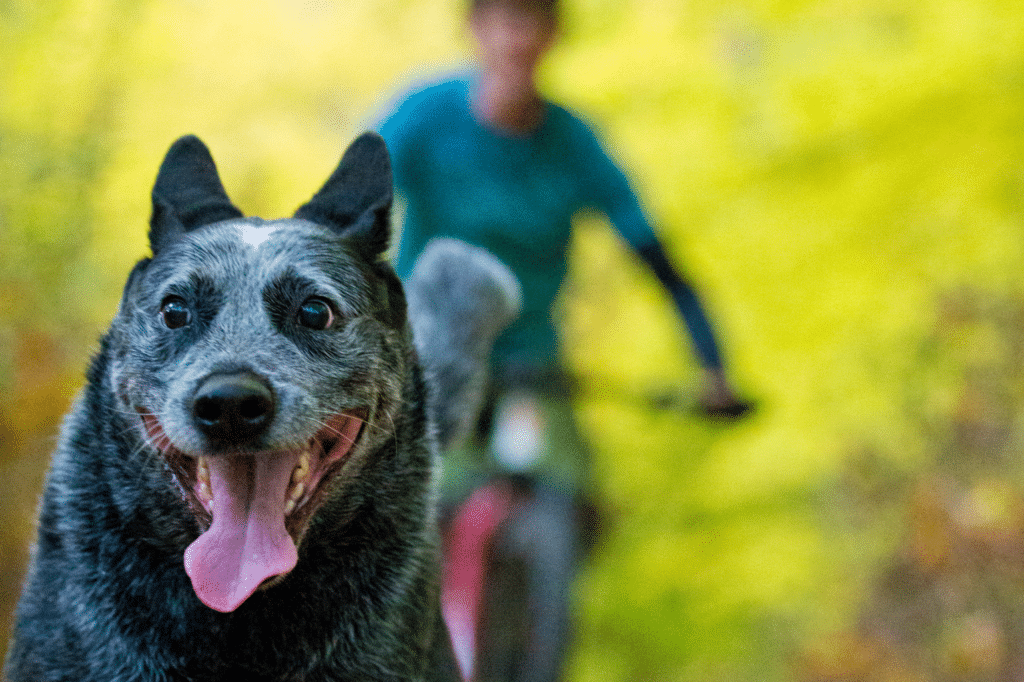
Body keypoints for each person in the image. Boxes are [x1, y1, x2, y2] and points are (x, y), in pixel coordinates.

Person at [376, 0, 751, 679]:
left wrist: (713, 368)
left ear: (553, 36)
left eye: (533, 19)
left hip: (530, 366)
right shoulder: (422, 117)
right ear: (475, 28)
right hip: (426, 345)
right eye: (503, 18)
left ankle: (528, 621)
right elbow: (348, 216)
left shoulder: (575, 145)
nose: (517, 37)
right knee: (389, 499)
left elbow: (659, 260)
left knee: (573, 495)